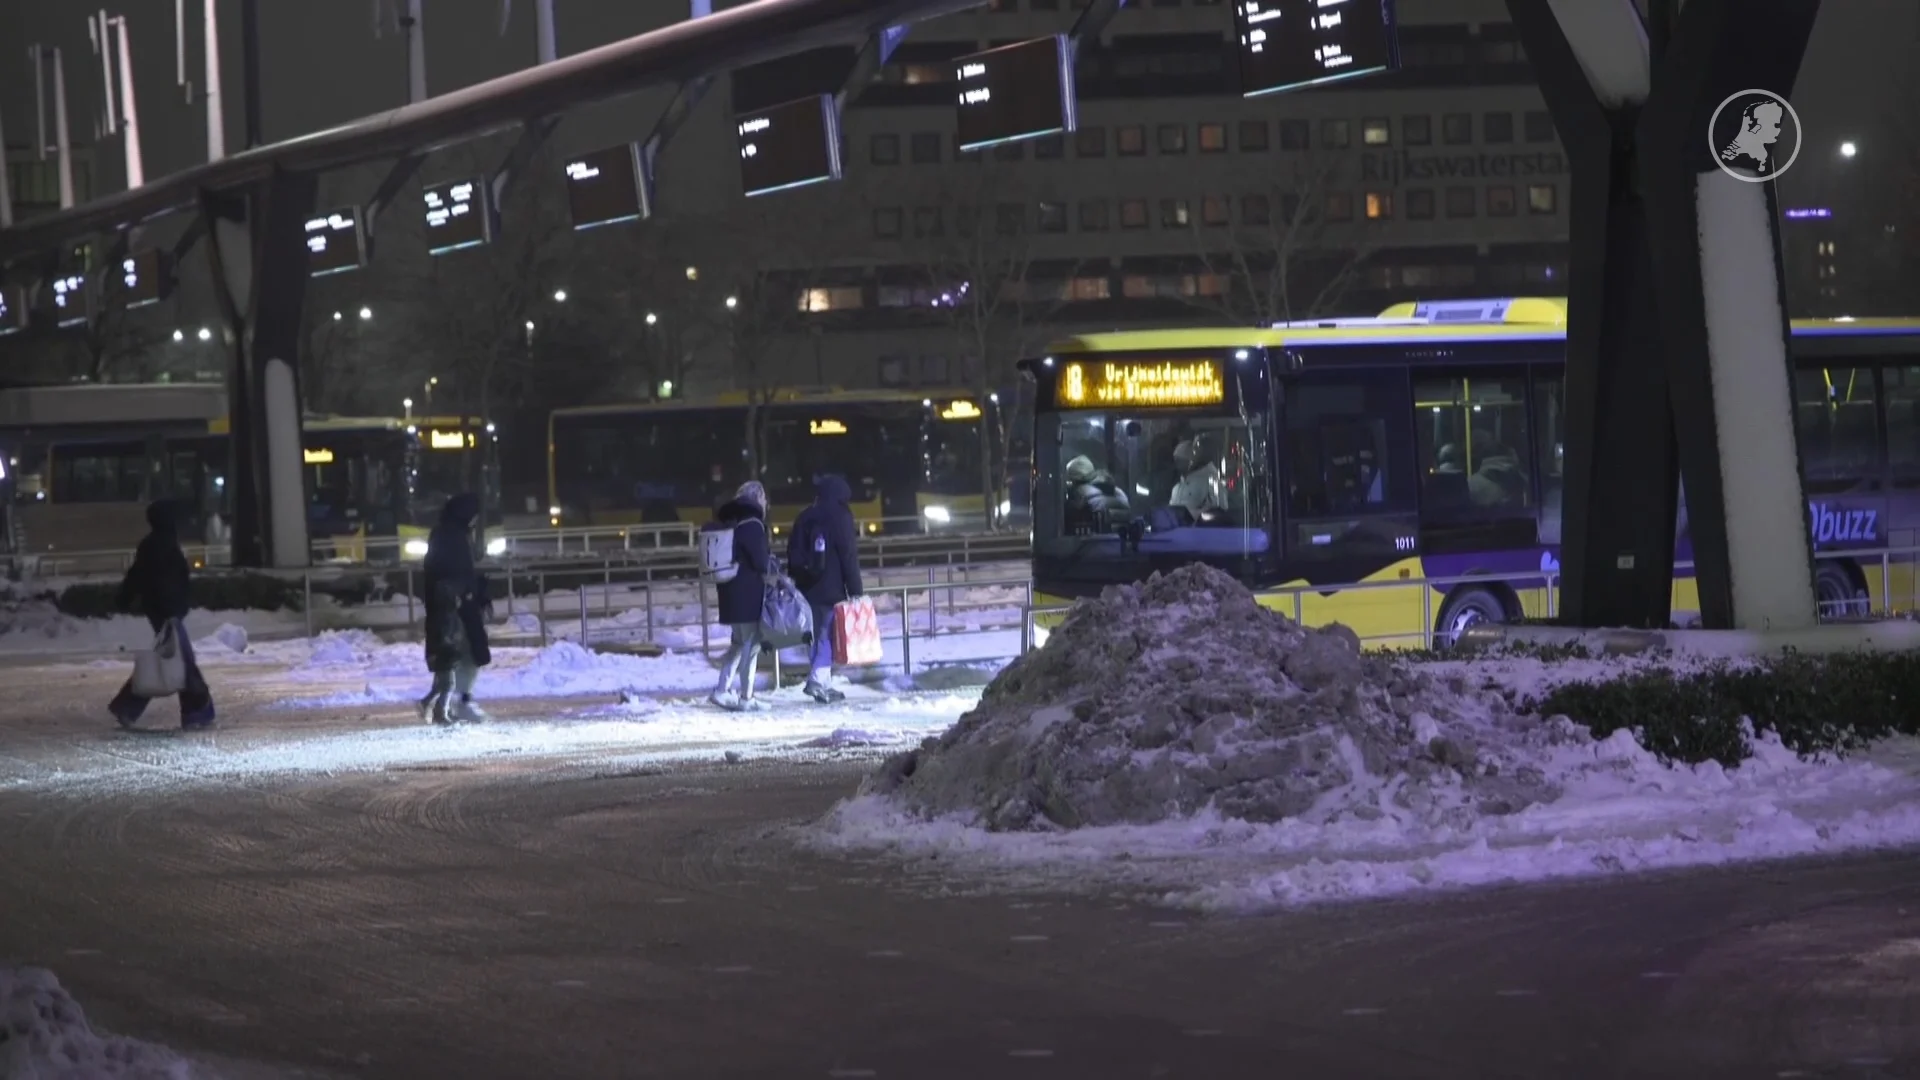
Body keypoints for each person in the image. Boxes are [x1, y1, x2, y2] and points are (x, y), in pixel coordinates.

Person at [110, 499, 215, 729]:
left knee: (170, 659)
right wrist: (174, 606)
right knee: (182, 660)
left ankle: (128, 706)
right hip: (168, 612)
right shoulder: (164, 544)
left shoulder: (153, 544)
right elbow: (163, 580)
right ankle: (195, 710)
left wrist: (125, 598)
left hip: (162, 610)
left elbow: (137, 576)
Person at [787, 473, 863, 704]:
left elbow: (792, 551)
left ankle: (824, 683)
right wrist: (856, 589)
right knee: (827, 635)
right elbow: (848, 554)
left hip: (807, 586)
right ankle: (818, 681)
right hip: (831, 586)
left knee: (816, 633)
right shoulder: (841, 516)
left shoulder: (805, 516)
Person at [418, 492, 491, 725]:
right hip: (454, 607)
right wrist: (466, 592)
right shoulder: (451, 537)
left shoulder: (455, 534)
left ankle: (450, 702)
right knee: (459, 655)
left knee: (456, 657)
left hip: (459, 604)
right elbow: (448, 573)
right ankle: (456, 703)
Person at [710, 481, 771, 711]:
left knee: (737, 644)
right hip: (747, 596)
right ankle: (747, 697)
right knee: (751, 645)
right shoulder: (753, 525)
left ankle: (721, 690)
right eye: (764, 498)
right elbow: (760, 562)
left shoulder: (731, 523)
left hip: (729, 594)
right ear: (757, 500)